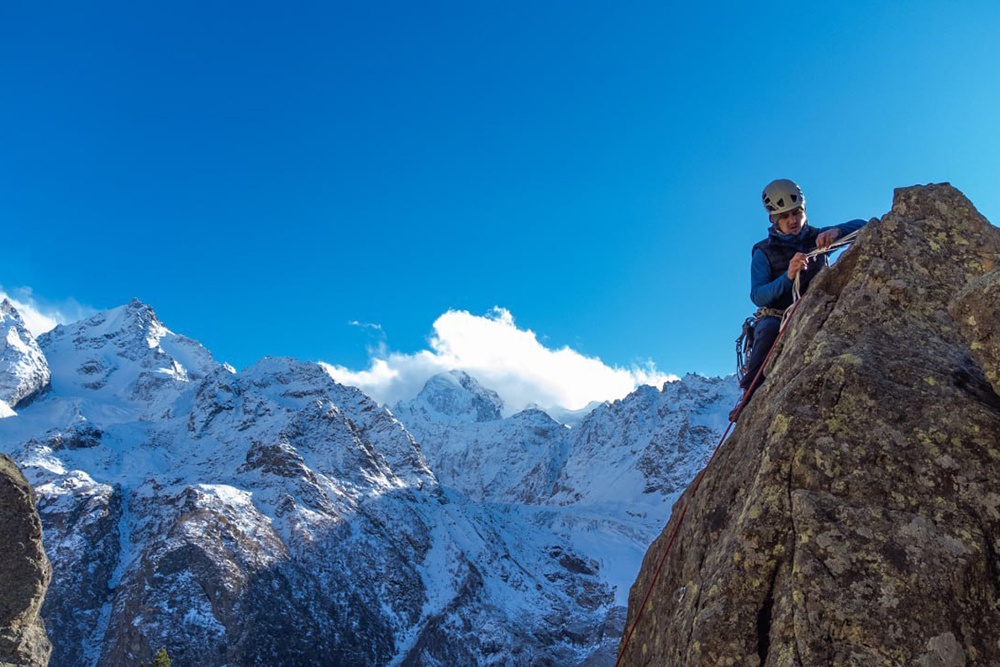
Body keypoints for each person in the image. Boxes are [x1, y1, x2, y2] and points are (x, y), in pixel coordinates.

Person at [735, 179, 868, 413]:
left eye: (796, 213)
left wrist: (837, 232)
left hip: (818, 305)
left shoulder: (817, 238)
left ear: (804, 210)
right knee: (767, 330)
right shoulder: (764, 251)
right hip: (777, 315)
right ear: (774, 220)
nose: (792, 220)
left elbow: (864, 227)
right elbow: (759, 295)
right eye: (785, 216)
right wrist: (788, 277)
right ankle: (749, 393)